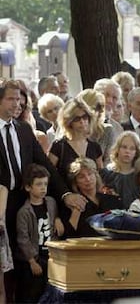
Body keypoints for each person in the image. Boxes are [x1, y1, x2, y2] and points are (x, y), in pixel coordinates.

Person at [0, 79, 84, 302]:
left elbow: (46, 167)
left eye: (19, 99)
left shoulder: (23, 129)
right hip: (0, 207)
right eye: (11, 99)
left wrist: (65, 195)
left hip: (25, 203)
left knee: (26, 273)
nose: (17, 104)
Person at [15, 164, 64, 303]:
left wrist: (58, 219)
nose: (43, 188)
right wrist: (31, 261)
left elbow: (55, 217)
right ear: (28, 187)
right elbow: (23, 239)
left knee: (51, 293)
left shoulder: (51, 202)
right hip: (35, 259)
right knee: (33, 293)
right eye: (38, 184)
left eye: (45, 184)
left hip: (51, 256)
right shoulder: (24, 212)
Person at [48, 97, 103, 186]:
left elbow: (100, 174)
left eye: (85, 117)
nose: (82, 121)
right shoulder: (58, 146)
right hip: (67, 195)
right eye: (77, 119)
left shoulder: (95, 146)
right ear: (69, 121)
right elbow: (50, 175)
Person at [65, 157, 122, 238]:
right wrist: (76, 212)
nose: (87, 179)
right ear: (76, 182)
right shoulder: (73, 204)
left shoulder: (112, 200)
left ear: (96, 175)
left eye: (90, 174)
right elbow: (68, 236)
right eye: (81, 177)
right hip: (84, 248)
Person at [100, 131, 140, 209]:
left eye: (132, 148)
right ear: (117, 149)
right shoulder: (107, 174)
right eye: (124, 147)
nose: (127, 151)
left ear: (136, 152)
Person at [78, 89, 115, 166]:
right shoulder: (72, 131)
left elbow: (108, 162)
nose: (101, 111)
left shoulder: (107, 130)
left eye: (102, 107)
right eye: (97, 107)